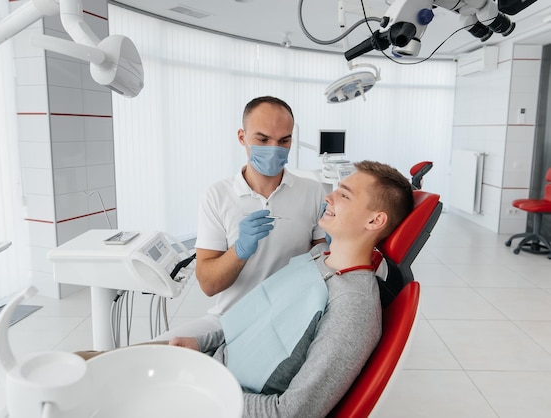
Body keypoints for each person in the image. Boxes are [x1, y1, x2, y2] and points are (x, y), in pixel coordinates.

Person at [169, 160, 415, 418]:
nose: (328, 197)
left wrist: (205, 390)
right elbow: (251, 318)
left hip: (225, 401)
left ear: (375, 220)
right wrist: (200, 345)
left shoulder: (353, 305)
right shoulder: (317, 255)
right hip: (212, 373)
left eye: (343, 194)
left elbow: (291, 413)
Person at [156, 96, 326, 340]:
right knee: (158, 350)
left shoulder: (312, 191)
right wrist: (239, 251)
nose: (274, 148)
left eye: (284, 140)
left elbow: (323, 264)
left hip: (291, 315)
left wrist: (332, 245)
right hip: (229, 318)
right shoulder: (217, 196)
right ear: (241, 137)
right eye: (263, 139)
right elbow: (209, 285)